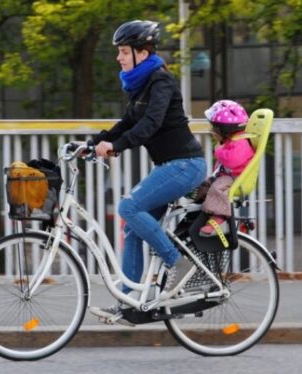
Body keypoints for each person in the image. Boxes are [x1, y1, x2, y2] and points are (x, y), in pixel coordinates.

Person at [89, 20, 207, 321]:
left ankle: (177, 264)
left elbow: (149, 125)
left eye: (124, 51)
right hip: (171, 166)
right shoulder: (142, 84)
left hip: (185, 165)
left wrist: (116, 147)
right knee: (132, 230)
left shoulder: (160, 81)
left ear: (142, 52)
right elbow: (127, 123)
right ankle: (128, 304)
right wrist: (94, 143)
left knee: (129, 206)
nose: (119, 57)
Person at [197, 100, 254, 237]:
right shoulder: (232, 140)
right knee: (202, 185)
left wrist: (219, 150)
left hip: (235, 178)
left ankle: (220, 216)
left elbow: (233, 160)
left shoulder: (241, 142)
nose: (212, 131)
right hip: (226, 176)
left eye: (214, 128)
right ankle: (202, 213)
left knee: (217, 187)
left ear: (224, 129)